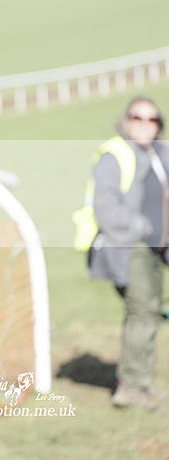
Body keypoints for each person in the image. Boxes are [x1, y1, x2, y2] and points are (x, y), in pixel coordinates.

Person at [84, 95, 169, 410]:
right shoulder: (114, 155)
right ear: (125, 120)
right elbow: (106, 209)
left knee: (149, 313)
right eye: (137, 117)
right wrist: (142, 226)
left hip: (154, 251)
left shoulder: (160, 154)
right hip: (128, 248)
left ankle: (140, 383)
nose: (143, 124)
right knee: (141, 312)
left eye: (151, 119)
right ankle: (130, 387)